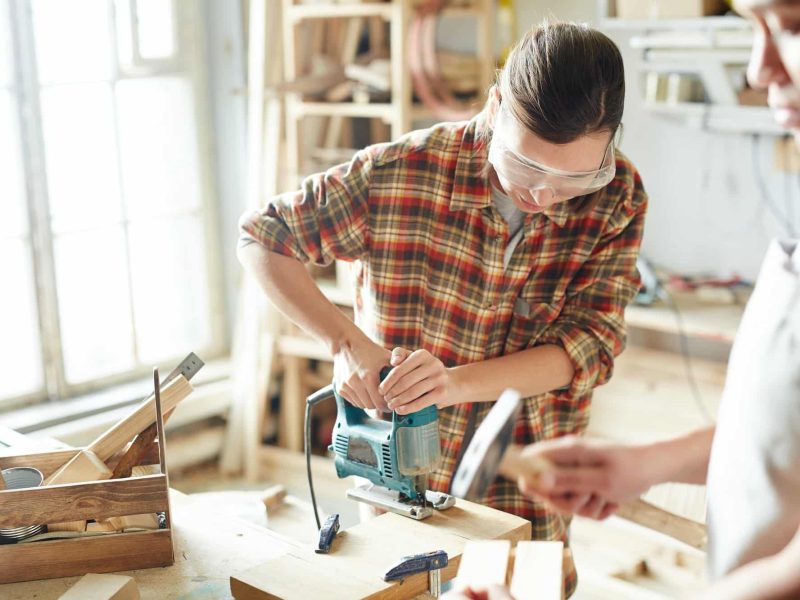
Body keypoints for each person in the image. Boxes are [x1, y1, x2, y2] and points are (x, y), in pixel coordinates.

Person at [238, 21, 647, 597]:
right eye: (527, 166)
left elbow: (588, 347)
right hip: (403, 469)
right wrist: (346, 343)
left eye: (574, 178)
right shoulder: (401, 172)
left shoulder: (618, 196)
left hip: (527, 472)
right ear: (496, 104)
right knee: (401, 588)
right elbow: (264, 237)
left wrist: (451, 384)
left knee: (520, 588)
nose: (542, 196)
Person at [494, 2, 800, 599]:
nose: (759, 69)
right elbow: (783, 436)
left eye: (790, 26)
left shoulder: (620, 199)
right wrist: (644, 465)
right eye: (751, 28)